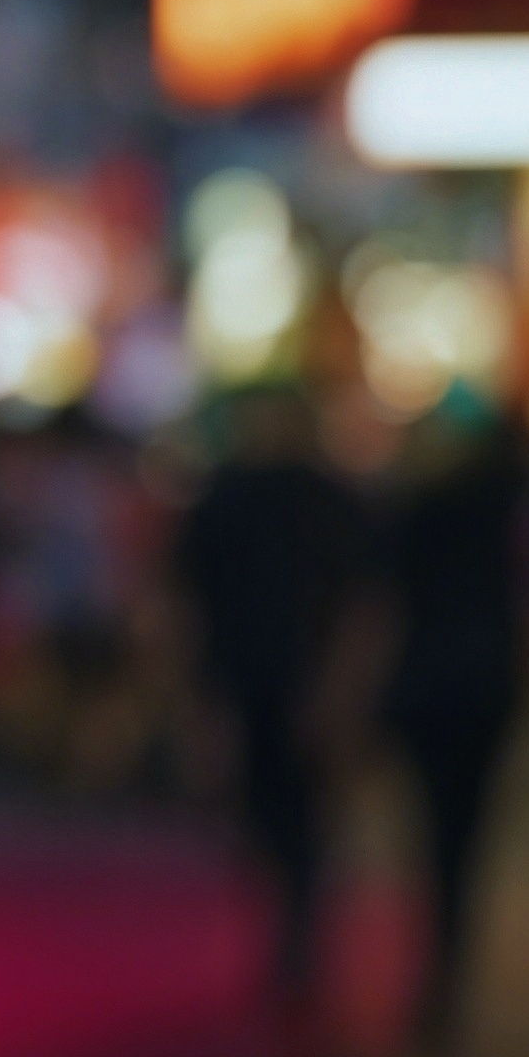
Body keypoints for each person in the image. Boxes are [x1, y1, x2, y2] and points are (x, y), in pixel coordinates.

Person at [175, 383, 369, 1006]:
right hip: (240, 678)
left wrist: (342, 688)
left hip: (307, 681)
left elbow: (362, 605)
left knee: (304, 818)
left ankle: (299, 936)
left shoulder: (334, 502)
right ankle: (287, 929)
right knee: (259, 815)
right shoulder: (221, 501)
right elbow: (186, 600)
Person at [383, 402, 525, 1041]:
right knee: (465, 835)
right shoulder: (509, 512)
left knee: (433, 834)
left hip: (429, 688)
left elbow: (383, 605)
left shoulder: (417, 510)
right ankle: (450, 963)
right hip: (489, 688)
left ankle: (440, 970)